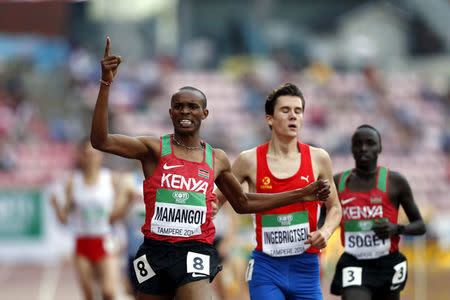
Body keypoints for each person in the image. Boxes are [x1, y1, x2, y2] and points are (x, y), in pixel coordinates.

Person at [90, 37, 331, 300]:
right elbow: (101, 140)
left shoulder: (216, 158)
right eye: (179, 106)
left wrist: (299, 194)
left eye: (192, 106)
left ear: (204, 114)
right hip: (154, 253)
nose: (185, 111)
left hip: (195, 251)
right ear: (170, 112)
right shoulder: (154, 149)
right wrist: (106, 83)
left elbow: (242, 202)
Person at [215, 83, 342, 300]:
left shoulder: (318, 158)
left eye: (298, 111)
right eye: (285, 110)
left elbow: (335, 208)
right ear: (269, 118)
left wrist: (325, 232)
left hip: (307, 268)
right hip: (266, 267)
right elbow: (216, 202)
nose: (293, 116)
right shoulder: (249, 160)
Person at [329, 124, 426, 300]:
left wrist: (396, 229)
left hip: (387, 263)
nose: (363, 148)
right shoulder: (338, 182)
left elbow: (420, 226)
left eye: (370, 143)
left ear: (379, 147)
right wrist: (322, 230)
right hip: (354, 262)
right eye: (358, 143)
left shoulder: (395, 182)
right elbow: (322, 217)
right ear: (351, 148)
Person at [50, 138, 121, 300]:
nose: (91, 158)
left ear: (101, 156)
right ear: (80, 156)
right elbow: (64, 219)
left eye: (94, 154)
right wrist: (55, 206)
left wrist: (124, 204)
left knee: (108, 292)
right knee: (89, 295)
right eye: (87, 154)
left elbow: (118, 214)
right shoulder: (72, 182)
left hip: (107, 239)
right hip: (83, 242)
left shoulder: (111, 179)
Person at [109, 168, 146, 300]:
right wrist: (128, 201)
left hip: (166, 250)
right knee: (139, 293)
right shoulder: (130, 181)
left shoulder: (170, 177)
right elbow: (112, 218)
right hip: (138, 251)